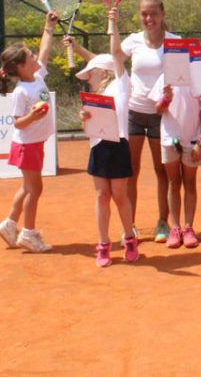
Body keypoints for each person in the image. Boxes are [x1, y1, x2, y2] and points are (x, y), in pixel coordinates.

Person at [110, 0, 180, 242]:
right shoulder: (134, 41)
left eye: (153, 14)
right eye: (144, 14)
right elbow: (116, 56)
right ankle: (131, 226)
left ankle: (163, 222)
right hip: (134, 113)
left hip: (164, 116)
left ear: (162, 14)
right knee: (131, 171)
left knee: (162, 172)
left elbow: (184, 77)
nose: (148, 18)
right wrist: (114, 25)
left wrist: (170, 97)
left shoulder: (175, 42)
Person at [0, 11, 58, 253]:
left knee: (27, 186)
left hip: (33, 143)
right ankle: (29, 234)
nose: (35, 57)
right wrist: (34, 115)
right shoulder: (21, 91)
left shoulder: (37, 75)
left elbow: (44, 51)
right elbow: (18, 122)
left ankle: (9, 225)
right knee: (35, 189)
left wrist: (48, 27)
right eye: (30, 56)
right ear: (21, 66)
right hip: (27, 144)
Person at [74, 36, 139, 266]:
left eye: (90, 73)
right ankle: (103, 244)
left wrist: (113, 25)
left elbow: (117, 56)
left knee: (120, 197)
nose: (88, 77)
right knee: (102, 196)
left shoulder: (120, 86)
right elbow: (88, 131)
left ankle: (130, 239)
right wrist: (84, 119)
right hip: (98, 148)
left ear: (105, 72)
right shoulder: (93, 98)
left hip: (119, 146)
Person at [150, 74, 201, 249]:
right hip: (169, 139)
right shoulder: (164, 77)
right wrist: (166, 99)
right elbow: (158, 109)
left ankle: (188, 228)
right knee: (174, 183)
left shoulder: (200, 77)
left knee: (190, 183)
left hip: (193, 141)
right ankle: (175, 228)